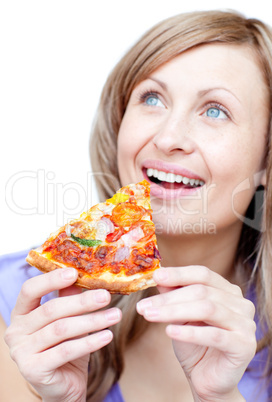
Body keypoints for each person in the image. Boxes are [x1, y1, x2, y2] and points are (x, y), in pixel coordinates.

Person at [2, 9, 272, 401]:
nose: (169, 137)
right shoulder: (13, 303)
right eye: (152, 98)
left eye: (215, 110)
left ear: (266, 159)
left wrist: (220, 397)